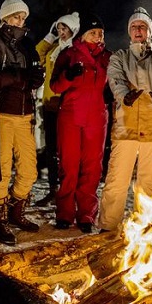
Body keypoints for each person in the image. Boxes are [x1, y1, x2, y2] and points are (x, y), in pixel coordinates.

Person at [0, 0, 45, 245]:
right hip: (0, 112)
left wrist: (37, 76)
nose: (20, 21)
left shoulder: (27, 45)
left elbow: (34, 72)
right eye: (16, 17)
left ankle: (16, 209)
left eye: (23, 17)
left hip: (24, 114)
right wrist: (18, 78)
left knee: (29, 171)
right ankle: (0, 218)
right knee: (1, 169)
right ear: (5, 18)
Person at [98, 7, 152, 232]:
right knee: (116, 180)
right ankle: (108, 226)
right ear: (129, 31)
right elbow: (115, 79)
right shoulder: (119, 57)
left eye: (142, 26)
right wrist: (125, 95)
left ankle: (145, 228)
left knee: (148, 182)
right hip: (126, 127)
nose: (138, 30)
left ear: (149, 31)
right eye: (134, 26)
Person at [50, 13, 112, 233]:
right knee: (69, 165)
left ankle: (86, 214)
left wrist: (111, 94)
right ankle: (65, 213)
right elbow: (55, 86)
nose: (97, 37)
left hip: (96, 118)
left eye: (100, 33)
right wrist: (68, 75)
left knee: (92, 168)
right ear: (84, 34)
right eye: (93, 33)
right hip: (71, 116)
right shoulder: (69, 54)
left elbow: (115, 83)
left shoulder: (108, 57)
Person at [34, 11, 80, 207]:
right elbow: (37, 53)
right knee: (51, 149)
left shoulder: (76, 50)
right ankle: (53, 189)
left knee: (66, 150)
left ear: (73, 30)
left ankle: (68, 189)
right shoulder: (53, 49)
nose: (62, 32)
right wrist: (50, 35)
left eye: (65, 29)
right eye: (59, 28)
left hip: (66, 106)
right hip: (49, 105)